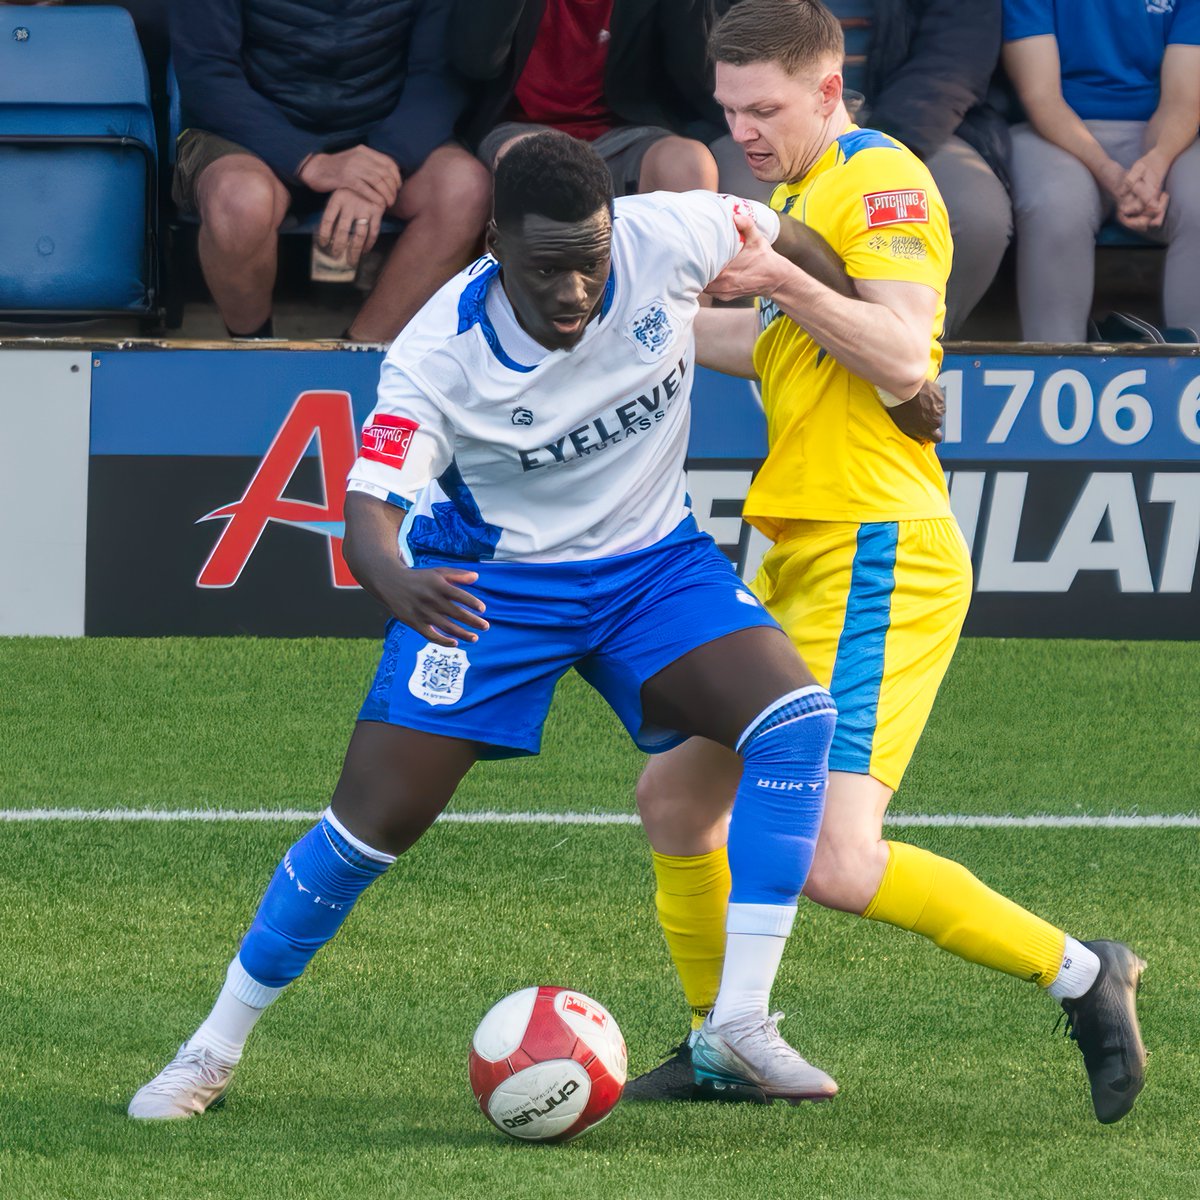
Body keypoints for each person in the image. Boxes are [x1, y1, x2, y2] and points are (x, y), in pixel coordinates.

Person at [125, 130, 901, 1119]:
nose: (574, 290)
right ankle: (209, 1051)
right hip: (492, 590)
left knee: (795, 720)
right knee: (369, 828)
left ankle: (739, 1026)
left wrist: (884, 347)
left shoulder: (674, 232)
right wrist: (395, 580)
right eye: (545, 269)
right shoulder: (437, 353)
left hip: (652, 569)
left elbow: (786, 237)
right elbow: (369, 512)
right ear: (494, 245)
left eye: (591, 263)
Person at [627, 0, 1147, 1123]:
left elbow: (907, 353)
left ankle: (1082, 972)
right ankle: (722, 1045)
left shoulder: (881, 181)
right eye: (728, 110)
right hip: (808, 546)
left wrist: (784, 281)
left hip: (880, 552)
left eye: (763, 109)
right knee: (676, 800)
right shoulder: (801, 192)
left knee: (838, 863)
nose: (742, 132)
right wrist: (629, 329)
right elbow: (776, 346)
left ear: (829, 89)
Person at [170, 0, 492, 342]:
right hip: (249, 135)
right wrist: (306, 159)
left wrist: (380, 166)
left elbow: (439, 74)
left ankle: (361, 355)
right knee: (241, 200)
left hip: (381, 131)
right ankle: (255, 352)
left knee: (464, 188)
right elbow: (206, 71)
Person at [1002, 0, 1200, 342]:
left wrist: (1155, 163)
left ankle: (1191, 361)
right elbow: (1041, 97)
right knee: (1056, 205)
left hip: (1163, 135)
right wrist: (1109, 172)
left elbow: (1183, 100)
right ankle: (1056, 358)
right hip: (1054, 133)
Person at [452, 0, 745, 197]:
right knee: (542, 171)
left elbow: (701, 80)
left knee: (689, 164)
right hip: (521, 126)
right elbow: (476, 62)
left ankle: (679, 278)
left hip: (623, 128)